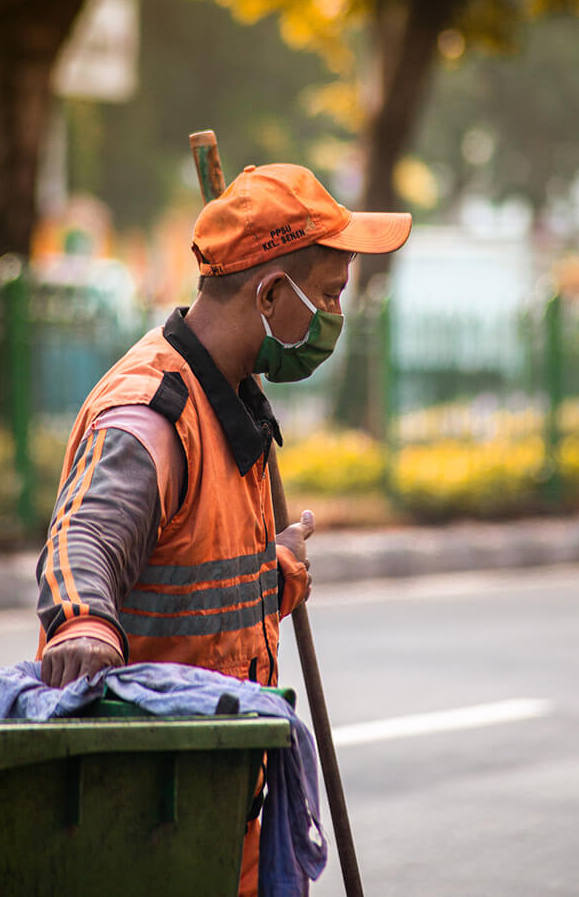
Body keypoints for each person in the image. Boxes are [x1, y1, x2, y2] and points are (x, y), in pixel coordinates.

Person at [34, 162, 411, 895]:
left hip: (216, 806)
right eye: (330, 295)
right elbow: (85, 534)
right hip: (140, 819)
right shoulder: (153, 410)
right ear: (269, 295)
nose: (336, 317)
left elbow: (193, 580)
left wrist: (272, 569)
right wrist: (82, 622)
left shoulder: (231, 400)